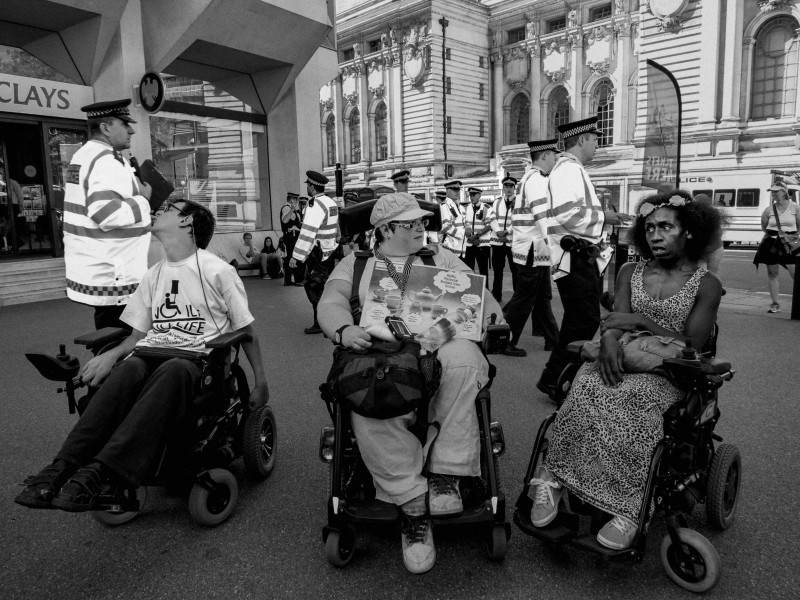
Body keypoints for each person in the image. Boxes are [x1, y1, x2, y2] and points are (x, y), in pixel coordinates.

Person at [15, 199, 268, 512]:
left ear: (188, 223)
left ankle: (103, 472)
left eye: (169, 209)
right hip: (151, 353)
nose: (159, 210)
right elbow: (136, 336)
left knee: (173, 369)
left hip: (199, 364)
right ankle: (60, 468)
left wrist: (260, 381)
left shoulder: (218, 271)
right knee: (128, 368)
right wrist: (110, 356)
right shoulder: (153, 275)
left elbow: (247, 331)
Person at [318, 193, 504, 574]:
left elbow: (480, 295)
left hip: (441, 340)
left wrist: (494, 317)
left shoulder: (439, 256)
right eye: (412, 223)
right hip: (382, 348)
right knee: (370, 386)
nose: (423, 227)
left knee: (467, 361)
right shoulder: (357, 263)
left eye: (423, 221)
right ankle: (411, 499)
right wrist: (343, 328)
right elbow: (331, 299)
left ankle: (446, 476)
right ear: (385, 229)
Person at [529, 190, 723, 550]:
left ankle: (630, 509)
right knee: (584, 385)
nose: (655, 235)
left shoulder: (706, 284)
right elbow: (614, 322)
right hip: (622, 355)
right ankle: (552, 478)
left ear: (690, 232)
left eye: (666, 227)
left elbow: (693, 344)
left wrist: (638, 320)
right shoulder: (630, 271)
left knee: (633, 399)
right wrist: (607, 342)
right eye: (649, 227)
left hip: (669, 371)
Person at [536, 117, 631, 400]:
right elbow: (568, 213)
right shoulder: (568, 170)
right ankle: (556, 378)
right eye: (594, 139)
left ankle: (557, 377)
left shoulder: (570, 169)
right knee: (584, 320)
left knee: (580, 319)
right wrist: (605, 216)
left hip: (577, 255)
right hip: (574, 256)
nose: (597, 146)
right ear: (581, 140)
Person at [63, 99, 154, 331]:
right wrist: (144, 199)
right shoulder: (107, 160)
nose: (131, 130)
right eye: (124, 124)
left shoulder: (83, 155)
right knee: (122, 348)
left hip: (97, 269)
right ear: (105, 127)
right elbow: (106, 214)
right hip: (116, 275)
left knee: (106, 338)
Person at [502, 140, 561, 357]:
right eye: (554, 155)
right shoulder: (536, 178)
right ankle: (505, 340)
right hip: (532, 250)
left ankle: (553, 340)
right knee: (523, 299)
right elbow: (541, 215)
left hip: (536, 250)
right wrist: (557, 242)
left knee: (542, 296)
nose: (556, 159)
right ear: (544, 155)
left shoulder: (533, 177)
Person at [290, 171, 339, 334]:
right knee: (324, 286)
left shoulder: (315, 205)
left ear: (312, 186)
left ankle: (321, 322)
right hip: (329, 251)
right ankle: (329, 319)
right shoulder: (330, 202)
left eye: (308, 185)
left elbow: (308, 232)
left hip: (317, 253)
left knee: (314, 287)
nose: (307, 188)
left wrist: (296, 256)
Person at [753, 181, 799, 313]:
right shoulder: (769, 210)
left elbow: (799, 224)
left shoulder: (795, 207)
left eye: (776, 191)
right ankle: (775, 303)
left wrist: (791, 236)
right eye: (772, 191)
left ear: (784, 191)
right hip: (771, 243)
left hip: (789, 243)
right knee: (772, 273)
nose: (773, 194)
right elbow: (764, 226)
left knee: (795, 271)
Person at [488, 176, 518, 302]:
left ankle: (517, 297)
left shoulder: (519, 202)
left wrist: (507, 232)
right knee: (498, 271)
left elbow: (518, 220)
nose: (509, 189)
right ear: (503, 187)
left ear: (514, 188)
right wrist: (499, 232)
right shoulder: (497, 202)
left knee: (515, 271)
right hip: (498, 242)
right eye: (506, 186)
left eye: (511, 186)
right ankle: (496, 296)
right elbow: (492, 218)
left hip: (511, 242)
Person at [462, 187, 491, 280]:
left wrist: (476, 236)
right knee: (469, 271)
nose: (471, 197)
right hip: (470, 244)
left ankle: (485, 292)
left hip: (482, 245)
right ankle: (470, 292)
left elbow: (489, 225)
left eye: (473, 195)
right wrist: (471, 237)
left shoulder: (487, 208)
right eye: (470, 195)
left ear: (479, 195)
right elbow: (465, 224)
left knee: (483, 272)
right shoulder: (466, 208)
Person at [693, 193, 725, 275]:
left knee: (699, 275)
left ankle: (700, 287)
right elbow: (720, 232)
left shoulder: (696, 215)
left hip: (703, 251)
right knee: (713, 274)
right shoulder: (714, 213)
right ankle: (714, 287)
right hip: (716, 248)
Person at [280, 192, 304, 286]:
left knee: (290, 257)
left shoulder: (292, 208)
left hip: (294, 236)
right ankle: (294, 279)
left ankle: (289, 280)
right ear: (292, 200)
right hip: (290, 237)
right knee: (292, 257)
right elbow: (285, 220)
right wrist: (293, 209)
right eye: (296, 200)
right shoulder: (286, 208)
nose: (298, 202)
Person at [438, 180, 466, 257]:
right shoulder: (444, 206)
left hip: (461, 248)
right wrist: (463, 233)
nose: (457, 192)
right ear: (448, 191)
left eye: (458, 190)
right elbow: (446, 226)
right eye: (454, 190)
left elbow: (464, 223)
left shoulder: (461, 207)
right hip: (449, 248)